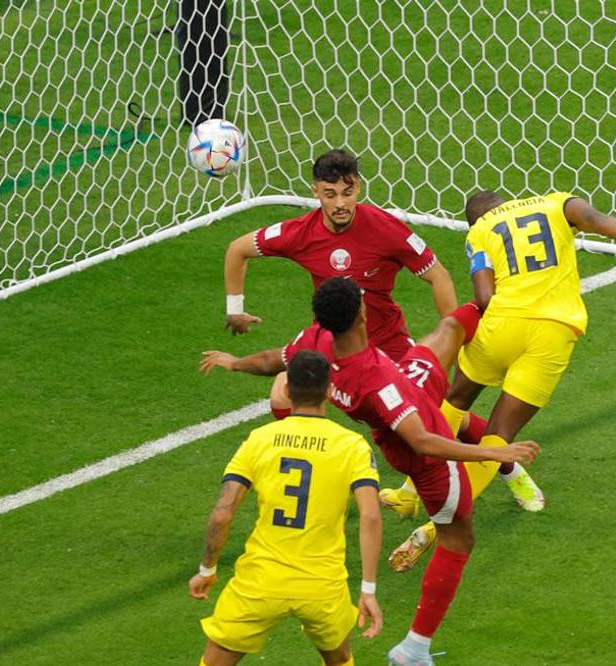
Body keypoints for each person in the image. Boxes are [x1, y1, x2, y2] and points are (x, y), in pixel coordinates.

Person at [199, 277, 540, 666]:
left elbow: (274, 360)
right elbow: (423, 442)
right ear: (362, 313)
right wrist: (495, 452)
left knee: (451, 329)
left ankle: (511, 300)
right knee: (458, 536)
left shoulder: (318, 340)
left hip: (408, 392)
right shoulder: (377, 381)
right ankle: (415, 647)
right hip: (426, 458)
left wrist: (234, 362)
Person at [219, 147, 544, 508]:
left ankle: (511, 470)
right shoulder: (299, 233)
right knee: (282, 393)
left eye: (347, 192)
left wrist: (454, 336)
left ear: (358, 187)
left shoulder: (386, 229)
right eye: (330, 194)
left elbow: (438, 277)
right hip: (334, 346)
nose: (340, 203)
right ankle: (317, 479)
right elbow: (237, 249)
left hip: (388, 349)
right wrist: (235, 310)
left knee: (443, 416)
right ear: (315, 192)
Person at [382, 189, 616, 563]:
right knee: (500, 437)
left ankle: (409, 492)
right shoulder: (555, 202)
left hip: (503, 325)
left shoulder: (479, 232)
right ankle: (433, 527)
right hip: (554, 333)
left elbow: (485, 295)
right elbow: (594, 219)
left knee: (456, 398)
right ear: (507, 201)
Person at [153, 350, 385, 666]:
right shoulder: (351, 445)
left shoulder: (260, 439)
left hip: (261, 581)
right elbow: (371, 514)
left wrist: (206, 569)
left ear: (288, 388)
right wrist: (369, 590)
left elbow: (224, 511)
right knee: (339, 661)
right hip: (321, 584)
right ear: (328, 390)